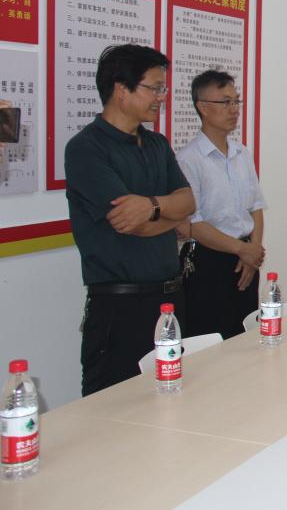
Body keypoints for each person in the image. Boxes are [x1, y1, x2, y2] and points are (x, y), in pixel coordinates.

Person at [65, 44, 195, 396]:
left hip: (170, 301)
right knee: (111, 411)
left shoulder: (156, 144)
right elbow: (132, 224)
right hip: (120, 308)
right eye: (155, 87)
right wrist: (169, 215)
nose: (161, 97)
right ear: (121, 89)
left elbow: (188, 202)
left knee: (172, 404)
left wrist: (151, 204)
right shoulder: (87, 148)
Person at [175, 70, 266, 340]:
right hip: (209, 261)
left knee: (246, 339)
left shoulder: (241, 153)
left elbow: (256, 207)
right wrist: (243, 250)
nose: (234, 109)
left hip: (246, 258)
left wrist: (252, 252)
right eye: (225, 102)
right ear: (203, 107)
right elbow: (192, 223)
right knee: (211, 342)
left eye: (236, 101)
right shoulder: (189, 159)